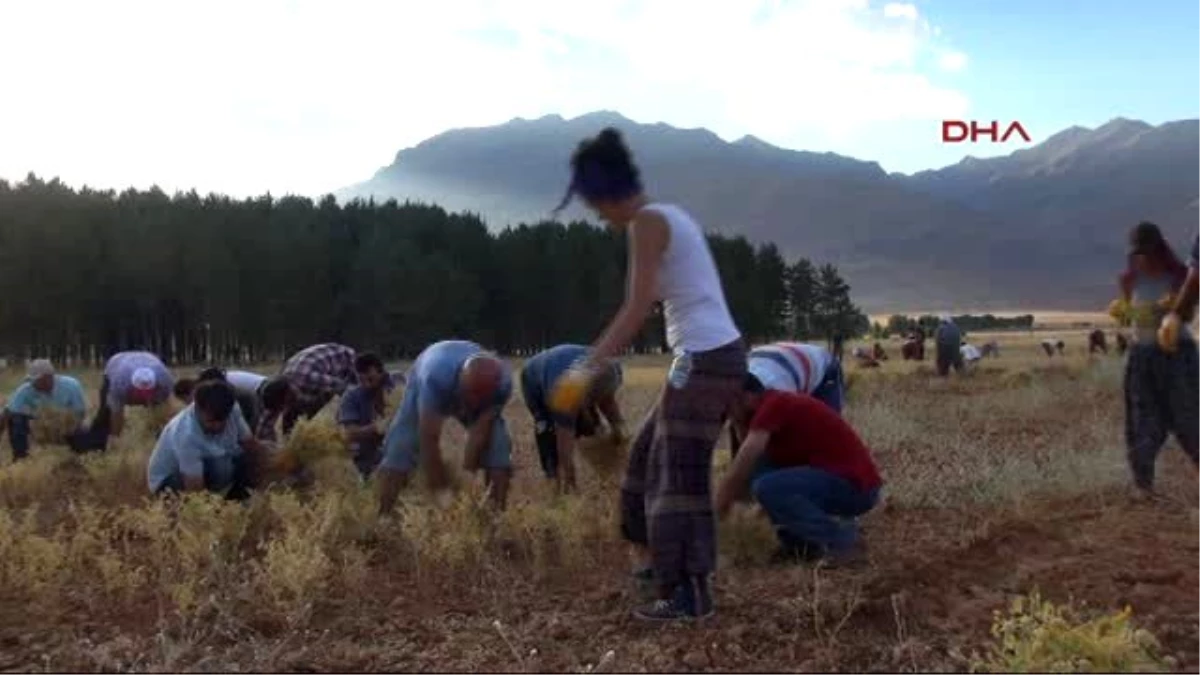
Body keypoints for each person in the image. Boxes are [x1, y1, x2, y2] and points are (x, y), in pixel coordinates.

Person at [548, 128, 746, 622]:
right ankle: (659, 566)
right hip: (703, 358)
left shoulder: (646, 222)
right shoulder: (669, 217)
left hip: (706, 358)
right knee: (645, 456)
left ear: (605, 193)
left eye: (595, 205)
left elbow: (635, 310)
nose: (599, 217)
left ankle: (689, 593)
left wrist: (580, 373)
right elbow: (658, 298)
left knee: (677, 474)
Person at [715, 379, 882, 566]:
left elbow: (741, 466)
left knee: (768, 487)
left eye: (727, 405)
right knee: (762, 474)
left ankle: (843, 544)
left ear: (743, 396)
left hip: (855, 488)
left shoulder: (774, 405)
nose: (726, 413)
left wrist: (715, 512)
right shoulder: (767, 409)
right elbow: (747, 473)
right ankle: (801, 547)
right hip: (834, 481)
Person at [376, 340, 514, 513]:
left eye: (477, 400)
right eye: (469, 396)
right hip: (428, 368)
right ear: (460, 381)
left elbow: (480, 432)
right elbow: (428, 438)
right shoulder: (436, 379)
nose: (471, 404)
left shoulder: (503, 385)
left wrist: (467, 475)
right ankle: (384, 516)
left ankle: (497, 516)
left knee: (499, 445)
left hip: (473, 387)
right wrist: (441, 490)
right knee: (402, 443)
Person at [1116, 221, 1200, 499]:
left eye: (1149, 252)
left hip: (1177, 354)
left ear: (1159, 250)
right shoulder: (1128, 279)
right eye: (1138, 253)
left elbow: (1186, 313)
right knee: (1142, 421)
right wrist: (1125, 313)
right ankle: (1144, 487)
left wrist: (1170, 312)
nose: (1144, 259)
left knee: (1190, 418)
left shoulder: (1177, 276)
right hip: (1142, 356)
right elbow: (1128, 316)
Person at [520, 344, 626, 491]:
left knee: (590, 424)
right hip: (533, 378)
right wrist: (570, 480)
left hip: (570, 367)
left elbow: (607, 401)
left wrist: (619, 435)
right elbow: (564, 439)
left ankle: (603, 466)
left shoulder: (610, 370)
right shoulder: (564, 394)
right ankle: (553, 478)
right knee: (546, 428)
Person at [146, 380, 268, 500]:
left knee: (249, 457)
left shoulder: (232, 408)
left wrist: (266, 471)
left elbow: (250, 445)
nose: (218, 426)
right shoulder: (186, 434)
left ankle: (236, 501)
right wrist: (207, 511)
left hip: (211, 465)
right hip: (169, 481)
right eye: (211, 421)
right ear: (197, 409)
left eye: (222, 421)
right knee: (221, 466)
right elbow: (194, 486)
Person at [731, 342, 845, 459]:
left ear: (752, 396)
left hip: (823, 368)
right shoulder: (732, 383)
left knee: (825, 439)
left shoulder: (780, 392)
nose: (734, 410)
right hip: (779, 359)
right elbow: (740, 427)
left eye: (739, 405)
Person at [259, 343, 357, 439]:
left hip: (345, 362)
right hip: (314, 371)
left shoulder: (309, 379)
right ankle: (293, 443)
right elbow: (265, 425)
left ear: (288, 394)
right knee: (293, 420)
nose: (283, 409)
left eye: (285, 404)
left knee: (352, 410)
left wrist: (344, 417)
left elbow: (345, 388)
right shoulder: (277, 390)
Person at [0, 359, 88, 461]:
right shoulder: (26, 389)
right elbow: (8, 412)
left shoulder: (71, 385)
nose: (34, 383)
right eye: (32, 380)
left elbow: (80, 413)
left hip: (66, 427)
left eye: (37, 380)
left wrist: (64, 427)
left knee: (83, 432)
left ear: (49, 377)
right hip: (40, 428)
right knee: (16, 420)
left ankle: (79, 460)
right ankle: (20, 459)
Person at [94, 351, 174, 447]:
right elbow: (116, 413)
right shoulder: (119, 383)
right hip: (116, 362)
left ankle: (161, 440)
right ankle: (99, 441)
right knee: (106, 411)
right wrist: (115, 438)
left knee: (159, 413)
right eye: (140, 394)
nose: (144, 397)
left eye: (147, 393)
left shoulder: (165, 381)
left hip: (149, 359)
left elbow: (166, 409)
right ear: (132, 387)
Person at [336, 352, 393, 480]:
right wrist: (377, 427)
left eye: (370, 379)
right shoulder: (351, 396)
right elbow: (350, 433)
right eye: (362, 380)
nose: (366, 384)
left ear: (381, 372)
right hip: (367, 457)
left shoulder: (396, 389)